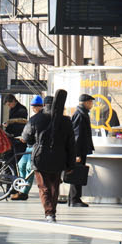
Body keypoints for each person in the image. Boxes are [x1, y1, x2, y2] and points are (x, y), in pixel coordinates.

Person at [23, 89, 75, 221]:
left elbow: (27, 137)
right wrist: (71, 164)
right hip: (59, 158)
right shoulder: (66, 121)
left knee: (43, 186)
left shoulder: (35, 119)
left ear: (44, 105)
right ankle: (52, 211)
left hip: (40, 157)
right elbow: (71, 145)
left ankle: (49, 212)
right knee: (54, 185)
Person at [67, 94, 96, 207]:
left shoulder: (81, 113)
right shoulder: (80, 114)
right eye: (91, 102)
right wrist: (77, 153)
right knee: (77, 174)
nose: (92, 105)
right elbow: (77, 135)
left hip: (81, 149)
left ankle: (73, 198)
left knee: (77, 173)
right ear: (86, 102)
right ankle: (75, 199)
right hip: (79, 150)